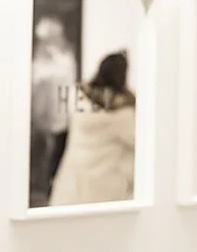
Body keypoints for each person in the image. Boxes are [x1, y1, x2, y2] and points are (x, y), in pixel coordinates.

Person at [49, 51, 136, 206]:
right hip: (103, 187)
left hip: (72, 180)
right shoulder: (121, 114)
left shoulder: (78, 99)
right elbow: (137, 141)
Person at [30, 16, 78, 200]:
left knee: (57, 152)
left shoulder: (64, 56)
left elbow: (66, 79)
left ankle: (50, 188)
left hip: (61, 113)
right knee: (44, 151)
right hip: (44, 112)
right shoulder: (43, 57)